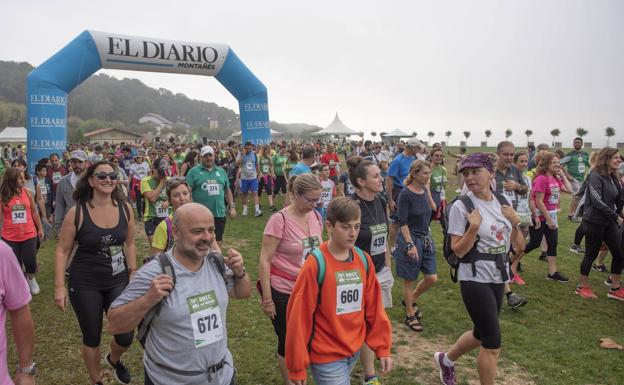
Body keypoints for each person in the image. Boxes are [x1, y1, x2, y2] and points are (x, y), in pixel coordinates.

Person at [108, 203, 251, 385]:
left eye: (211, 230)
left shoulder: (216, 262)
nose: (207, 238)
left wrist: (240, 273)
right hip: (170, 380)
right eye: (198, 231)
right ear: (176, 233)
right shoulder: (154, 273)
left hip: (221, 376)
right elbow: (114, 324)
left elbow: (243, 293)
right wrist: (148, 299)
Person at [435, 153, 525, 385]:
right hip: (473, 277)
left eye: (476, 172)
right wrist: (473, 229)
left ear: (491, 173)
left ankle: (446, 360)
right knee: (492, 344)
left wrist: (516, 223)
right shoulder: (461, 206)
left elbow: (517, 246)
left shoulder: (502, 200)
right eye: (466, 174)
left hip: (498, 275)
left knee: (479, 333)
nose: (470, 178)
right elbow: (458, 251)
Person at [285, 197, 393, 385]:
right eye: (346, 227)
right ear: (330, 226)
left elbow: (374, 308)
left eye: (357, 226)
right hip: (326, 356)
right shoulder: (315, 264)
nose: (353, 233)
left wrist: (382, 347)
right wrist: (297, 366)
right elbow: (299, 317)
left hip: (354, 349)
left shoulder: (364, 260)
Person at [54, 161, 137, 385]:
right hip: (85, 282)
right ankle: (95, 380)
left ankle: (114, 358)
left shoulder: (125, 208)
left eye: (112, 175)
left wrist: (133, 272)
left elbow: (129, 243)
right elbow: (62, 250)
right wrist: (60, 286)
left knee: (125, 334)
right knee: (92, 336)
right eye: (102, 176)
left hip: (117, 279)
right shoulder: (77, 212)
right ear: (91, 180)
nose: (108, 179)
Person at [258, 173, 323, 384]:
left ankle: (302, 372)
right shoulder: (279, 220)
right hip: (284, 290)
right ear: (296, 193)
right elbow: (265, 260)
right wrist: (267, 299)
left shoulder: (315, 216)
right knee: (288, 339)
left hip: (310, 289)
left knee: (307, 336)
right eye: (310, 200)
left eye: (317, 200)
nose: (314, 204)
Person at [347, 157, 394, 384]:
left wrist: (387, 265)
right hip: (358, 274)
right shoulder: (352, 206)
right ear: (361, 182)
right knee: (364, 323)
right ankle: (369, 374)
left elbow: (383, 236)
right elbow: (342, 245)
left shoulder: (381, 200)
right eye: (375, 176)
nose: (381, 179)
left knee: (377, 320)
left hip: (381, 271)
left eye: (380, 175)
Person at [393, 160, 437, 333]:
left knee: (432, 278)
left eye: (429, 173)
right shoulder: (405, 194)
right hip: (410, 239)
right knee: (409, 279)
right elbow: (402, 222)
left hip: (426, 238)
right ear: (415, 173)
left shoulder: (423, 190)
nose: (428, 176)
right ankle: (410, 313)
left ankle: (410, 299)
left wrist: (429, 195)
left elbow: (432, 208)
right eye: (425, 173)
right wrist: (410, 244)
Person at [575, 148, 624, 300]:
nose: (619, 160)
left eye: (619, 158)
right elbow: (596, 201)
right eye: (615, 158)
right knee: (591, 254)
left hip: (609, 222)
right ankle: (582, 287)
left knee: (619, 254)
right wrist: (616, 217)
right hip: (594, 221)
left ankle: (615, 289)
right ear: (606, 158)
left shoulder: (613, 177)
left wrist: (619, 214)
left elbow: (618, 200)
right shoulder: (595, 175)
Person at [523, 151, 572, 282]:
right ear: (546, 164)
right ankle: (511, 259)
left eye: (559, 162)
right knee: (534, 243)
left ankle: (552, 272)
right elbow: (538, 201)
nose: (558, 165)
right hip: (540, 216)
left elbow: (570, 190)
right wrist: (548, 220)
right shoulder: (541, 178)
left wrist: (563, 176)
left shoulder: (555, 178)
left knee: (552, 243)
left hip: (552, 216)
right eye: (554, 163)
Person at [0, 168, 44, 296]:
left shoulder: (28, 192)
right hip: (9, 237)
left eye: (23, 177)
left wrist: (40, 228)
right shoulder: (3, 196)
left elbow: (34, 212)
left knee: (30, 262)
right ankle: (21, 283)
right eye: (20, 178)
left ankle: (31, 278)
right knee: (16, 265)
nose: (23, 180)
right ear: (12, 180)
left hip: (29, 234)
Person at [0, 240, 36, 385]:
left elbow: (20, 312)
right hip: (12, 236)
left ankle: (30, 279)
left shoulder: (2, 253)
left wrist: (26, 370)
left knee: (29, 260)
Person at [185, 146, 236, 246]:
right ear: (201, 157)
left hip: (219, 213)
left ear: (214, 156)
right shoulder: (193, 172)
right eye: (205, 156)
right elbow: (187, 191)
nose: (208, 158)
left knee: (218, 242)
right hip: (200, 215)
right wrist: (190, 207)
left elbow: (228, 190)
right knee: (201, 242)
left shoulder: (221, 171)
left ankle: (215, 261)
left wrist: (232, 207)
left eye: (210, 155)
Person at [150, 178, 192, 254]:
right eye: (176, 195)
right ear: (169, 200)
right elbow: (156, 258)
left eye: (185, 193)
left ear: (190, 196)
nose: (182, 198)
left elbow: (214, 249)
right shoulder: (164, 226)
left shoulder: (201, 219)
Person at [54, 150, 88, 229]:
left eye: (80, 162)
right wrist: (59, 225)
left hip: (89, 224)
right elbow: (59, 204)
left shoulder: (93, 180)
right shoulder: (63, 181)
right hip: (70, 223)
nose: (77, 165)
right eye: (74, 162)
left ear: (86, 163)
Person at [141, 157, 171, 244]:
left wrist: (169, 201)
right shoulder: (145, 180)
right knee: (156, 247)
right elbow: (152, 198)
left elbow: (175, 196)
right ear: (154, 169)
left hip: (167, 217)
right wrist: (162, 183)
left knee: (168, 246)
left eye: (164, 173)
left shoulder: (169, 180)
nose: (163, 176)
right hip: (152, 218)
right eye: (161, 173)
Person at [560, 137, 590, 220]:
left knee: (577, 196)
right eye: (575, 142)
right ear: (573, 144)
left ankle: (572, 214)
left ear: (582, 144)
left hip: (582, 179)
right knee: (577, 196)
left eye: (579, 142)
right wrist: (567, 175)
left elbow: (590, 165)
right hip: (573, 178)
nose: (577, 144)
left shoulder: (585, 154)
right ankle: (573, 214)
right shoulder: (570, 154)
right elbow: (560, 164)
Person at [236, 142, 262, 217]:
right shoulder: (240, 153)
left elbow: (256, 165)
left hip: (253, 177)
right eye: (247, 148)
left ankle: (257, 210)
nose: (248, 150)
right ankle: (245, 209)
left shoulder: (254, 154)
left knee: (255, 192)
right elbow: (237, 164)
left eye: (250, 148)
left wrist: (259, 174)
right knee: (244, 193)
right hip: (244, 178)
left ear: (252, 147)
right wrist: (243, 155)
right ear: (244, 148)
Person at [429, 148, 447, 228]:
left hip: (441, 198)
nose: (439, 157)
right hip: (429, 198)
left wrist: (443, 199)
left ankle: (448, 240)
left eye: (441, 155)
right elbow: (425, 187)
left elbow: (443, 186)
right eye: (436, 155)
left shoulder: (443, 169)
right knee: (426, 222)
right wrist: (431, 201)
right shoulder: (428, 169)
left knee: (446, 223)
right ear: (431, 157)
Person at [258, 145, 277, 211]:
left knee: (269, 190)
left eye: (269, 150)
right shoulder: (259, 156)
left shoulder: (269, 157)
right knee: (259, 191)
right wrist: (260, 173)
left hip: (268, 176)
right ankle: (258, 204)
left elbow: (271, 166)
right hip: (261, 176)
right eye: (267, 150)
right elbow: (257, 166)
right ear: (263, 150)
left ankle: (271, 205)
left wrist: (273, 173)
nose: (268, 151)